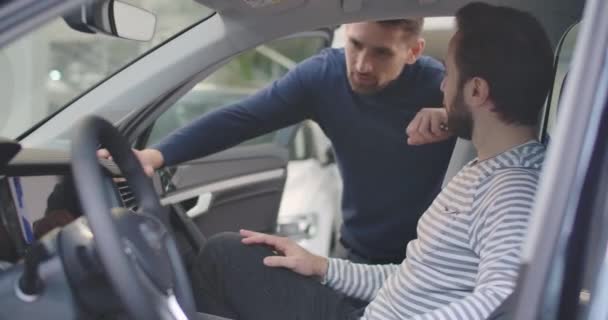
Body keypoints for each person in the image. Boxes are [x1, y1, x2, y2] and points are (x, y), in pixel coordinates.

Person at [188, 2, 554, 320]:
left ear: (475, 91)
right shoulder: (487, 169)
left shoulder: (513, 188)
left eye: (450, 74)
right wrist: (322, 267)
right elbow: (411, 279)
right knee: (228, 253)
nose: (442, 88)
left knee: (221, 260)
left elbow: (505, 298)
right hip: (369, 307)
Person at [100, 18, 457, 264]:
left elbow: (504, 128)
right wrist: (156, 155)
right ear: (347, 33)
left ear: (413, 51)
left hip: (428, 261)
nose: (362, 64)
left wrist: (454, 118)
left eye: (381, 53)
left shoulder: (442, 87)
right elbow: (242, 118)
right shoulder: (321, 77)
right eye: (356, 45)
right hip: (356, 253)